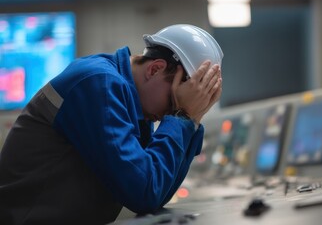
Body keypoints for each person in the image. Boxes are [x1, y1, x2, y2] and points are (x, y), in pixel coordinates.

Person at [0, 24, 223, 224]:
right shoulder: (98, 83)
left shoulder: (134, 102)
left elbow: (158, 193)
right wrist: (182, 117)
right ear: (154, 69)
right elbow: (144, 193)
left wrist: (191, 120)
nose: (169, 113)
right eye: (173, 100)